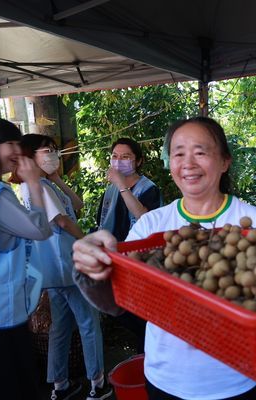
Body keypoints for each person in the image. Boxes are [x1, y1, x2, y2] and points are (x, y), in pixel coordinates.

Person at [73, 116, 256, 400]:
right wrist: (93, 269)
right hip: (166, 378)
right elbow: (121, 300)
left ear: (225, 161)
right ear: (170, 163)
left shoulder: (253, 223)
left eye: (200, 152)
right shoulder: (150, 225)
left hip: (233, 380)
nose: (188, 163)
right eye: (178, 153)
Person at [17, 134, 111, 400]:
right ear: (30, 156)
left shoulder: (45, 185)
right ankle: (98, 384)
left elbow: (77, 206)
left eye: (54, 150)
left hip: (54, 269)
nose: (53, 155)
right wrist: (87, 242)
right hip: (68, 264)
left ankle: (60, 385)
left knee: (61, 326)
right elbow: (63, 222)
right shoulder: (38, 188)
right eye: (47, 150)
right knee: (89, 323)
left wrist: (57, 178)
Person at [0, 117, 52, 400]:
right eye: (9, 143)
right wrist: (34, 184)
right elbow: (40, 229)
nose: (17, 150)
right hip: (0, 318)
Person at [94, 137, 162, 352]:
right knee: (121, 310)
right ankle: (144, 351)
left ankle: (150, 353)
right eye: (114, 156)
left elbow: (145, 218)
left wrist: (123, 186)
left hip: (139, 261)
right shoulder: (111, 189)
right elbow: (101, 222)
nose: (118, 161)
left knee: (142, 314)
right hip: (115, 259)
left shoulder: (148, 188)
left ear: (138, 161)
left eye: (125, 157)